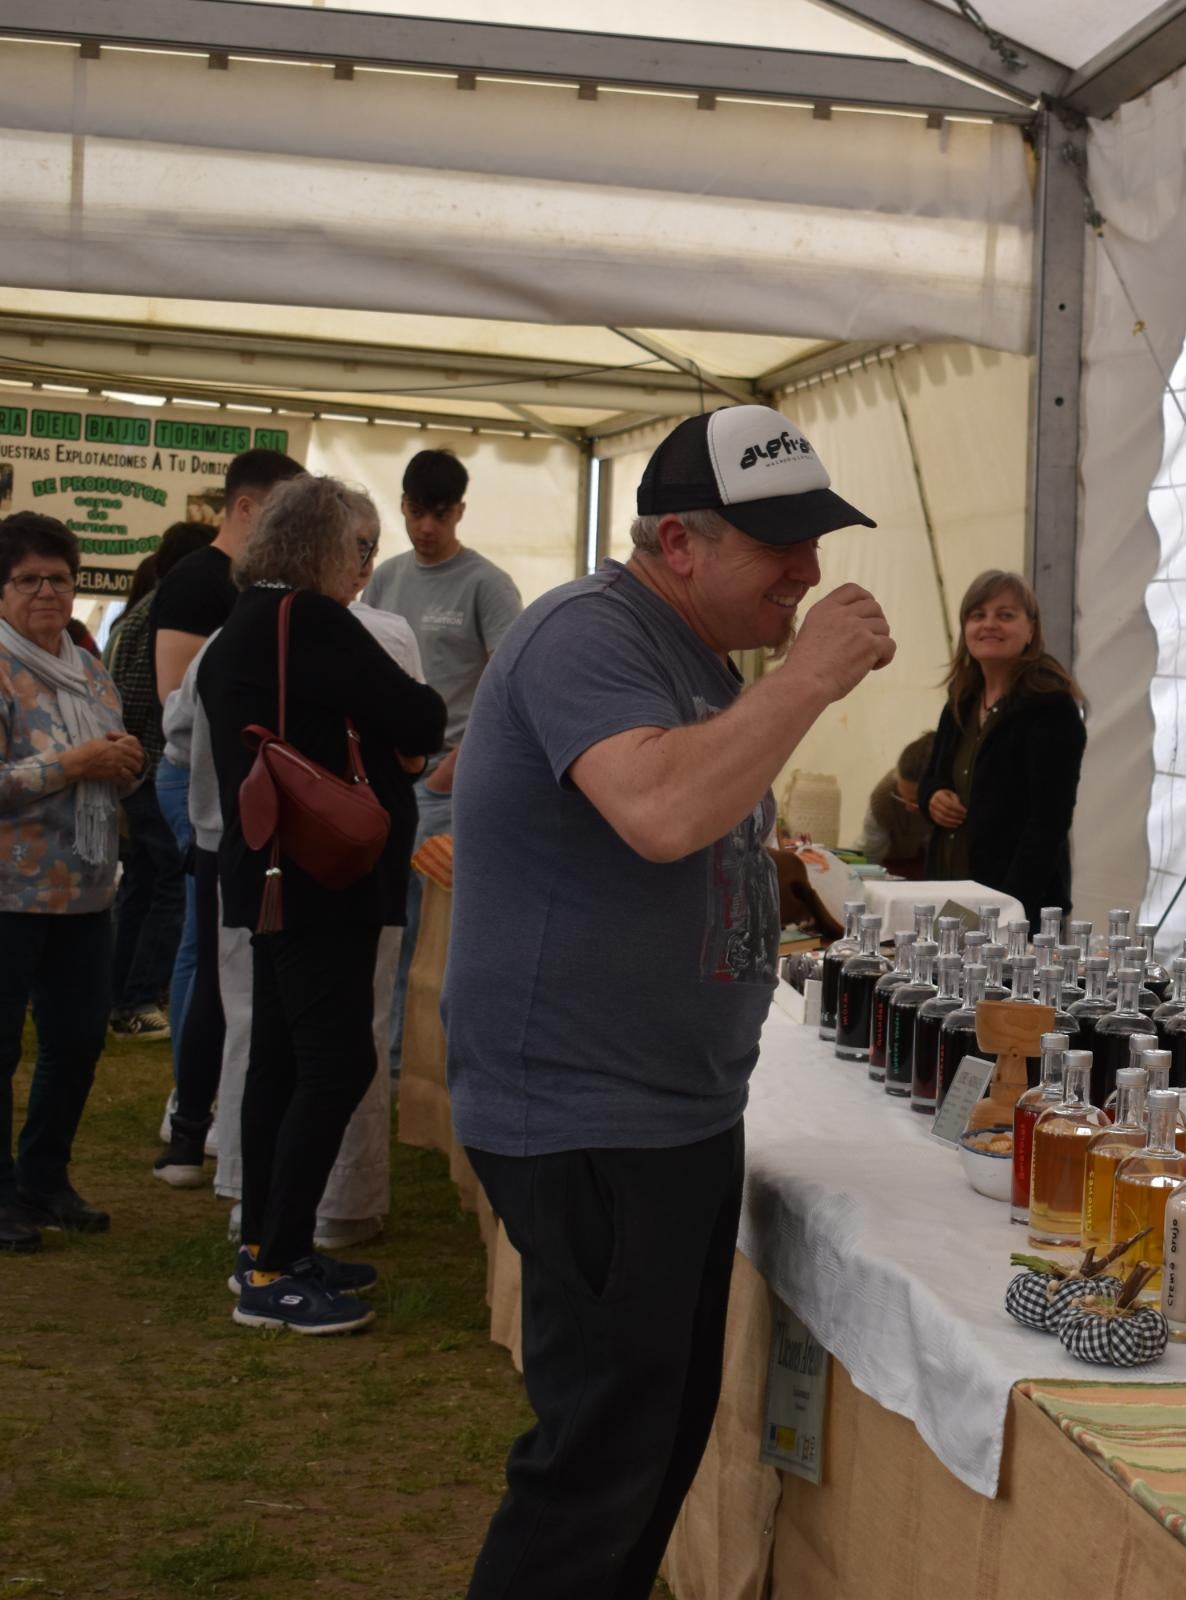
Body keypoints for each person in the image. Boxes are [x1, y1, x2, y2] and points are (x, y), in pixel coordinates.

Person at [445, 405, 891, 1596]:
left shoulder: (687, 658)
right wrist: (804, 681)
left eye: (815, 539)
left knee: (651, 1451)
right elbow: (658, 812)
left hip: (668, 1114)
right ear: (678, 544)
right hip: (590, 1118)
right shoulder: (585, 635)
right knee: (596, 1473)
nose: (807, 569)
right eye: (779, 543)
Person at [198, 477, 446, 1332]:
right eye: (360, 549)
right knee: (336, 1061)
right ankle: (274, 1269)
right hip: (318, 879)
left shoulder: (244, 625)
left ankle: (271, 1246)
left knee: (280, 1059)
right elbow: (420, 714)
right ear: (319, 548)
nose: (365, 567)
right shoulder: (308, 620)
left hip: (269, 872)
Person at [152, 452, 305, 1184]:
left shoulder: (261, 599)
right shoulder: (200, 585)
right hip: (212, 805)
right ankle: (190, 1115)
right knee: (206, 961)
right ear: (245, 508)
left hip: (243, 808)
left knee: (219, 965)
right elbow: (180, 713)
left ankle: (200, 1119)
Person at [0, 513, 144, 1250]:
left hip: (87, 889)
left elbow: (110, 752)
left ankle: (44, 1177)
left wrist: (124, 760)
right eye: (29, 579)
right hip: (8, 893)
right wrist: (75, 765)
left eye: (60, 577)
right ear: (3, 590)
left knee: (78, 1040)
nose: (47, 592)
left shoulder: (88, 665)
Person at [362, 448, 521, 1078]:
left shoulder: (486, 583)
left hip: (449, 783)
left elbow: (510, 683)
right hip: (388, 780)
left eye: (441, 514)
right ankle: (394, 1058)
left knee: (438, 935)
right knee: (388, 927)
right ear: (401, 506)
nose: (427, 526)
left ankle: (431, 1064)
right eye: (417, 511)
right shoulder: (384, 577)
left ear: (460, 512)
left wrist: (457, 763)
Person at [105, 521, 217, 1043]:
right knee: (170, 887)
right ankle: (137, 999)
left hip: (138, 772)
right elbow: (139, 700)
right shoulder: (160, 617)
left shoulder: (137, 614)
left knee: (143, 887)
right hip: (152, 770)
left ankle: (121, 992)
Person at [919, 571, 1086, 913]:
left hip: (1016, 902)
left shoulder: (1051, 705)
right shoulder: (961, 699)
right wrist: (933, 797)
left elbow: (1049, 821)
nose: (989, 624)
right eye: (977, 615)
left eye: (1005, 615)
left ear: (1030, 630)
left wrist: (1011, 906)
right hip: (949, 893)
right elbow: (931, 778)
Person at [857, 729, 935, 873]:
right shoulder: (884, 797)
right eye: (901, 797)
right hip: (889, 866)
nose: (909, 808)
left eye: (916, 802)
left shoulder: (958, 798)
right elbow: (870, 854)